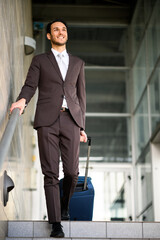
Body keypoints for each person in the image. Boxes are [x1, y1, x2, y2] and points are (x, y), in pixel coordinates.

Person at [10, 19, 87, 238]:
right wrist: (21, 101)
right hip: (47, 121)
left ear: (66, 34)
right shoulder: (40, 60)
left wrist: (82, 126)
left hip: (72, 121)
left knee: (72, 172)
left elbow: (81, 98)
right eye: (56, 30)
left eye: (64, 29)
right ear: (49, 36)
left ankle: (64, 206)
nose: (60, 32)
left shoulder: (78, 63)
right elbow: (30, 85)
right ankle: (56, 223)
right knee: (50, 172)